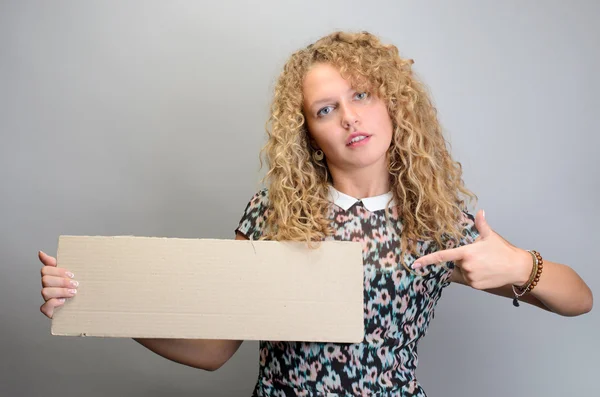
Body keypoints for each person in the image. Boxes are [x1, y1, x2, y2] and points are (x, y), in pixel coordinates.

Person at [38, 31, 593, 396]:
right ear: (308, 132)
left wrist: (521, 267)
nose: (350, 118)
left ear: (393, 103)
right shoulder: (274, 214)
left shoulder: (436, 219)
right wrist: (102, 304)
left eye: (362, 96)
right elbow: (212, 350)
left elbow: (580, 300)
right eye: (326, 110)